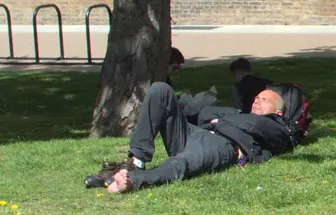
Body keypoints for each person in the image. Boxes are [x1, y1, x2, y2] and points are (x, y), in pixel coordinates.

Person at [86, 81, 304, 193]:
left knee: (182, 163)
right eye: (256, 97)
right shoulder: (239, 115)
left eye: (264, 99)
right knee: (161, 90)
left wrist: (219, 122)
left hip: (222, 145)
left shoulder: (277, 127)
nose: (257, 101)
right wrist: (220, 121)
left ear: (278, 112)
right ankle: (136, 162)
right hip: (195, 133)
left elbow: (255, 126)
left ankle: (132, 181)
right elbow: (205, 114)